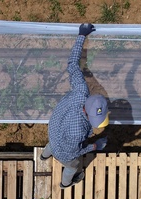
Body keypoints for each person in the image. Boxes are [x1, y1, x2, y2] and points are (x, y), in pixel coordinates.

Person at [42, 23, 109, 189]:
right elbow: (74, 152)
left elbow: (72, 63)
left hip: (55, 128)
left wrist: (81, 36)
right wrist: (95, 146)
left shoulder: (81, 91)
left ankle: (44, 156)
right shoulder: (78, 131)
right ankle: (65, 183)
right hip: (63, 149)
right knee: (72, 165)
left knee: (53, 144)